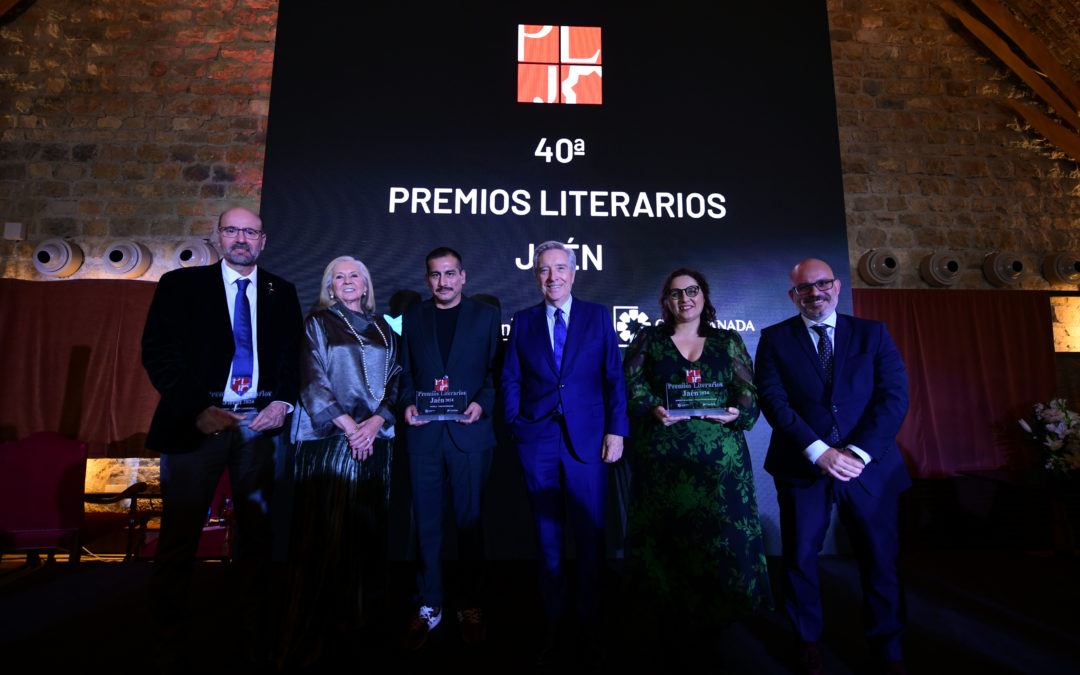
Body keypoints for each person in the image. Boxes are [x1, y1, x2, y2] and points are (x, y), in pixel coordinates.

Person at [141, 206, 302, 669]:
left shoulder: (281, 292)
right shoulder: (180, 286)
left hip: (258, 426)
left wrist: (283, 403)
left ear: (263, 241)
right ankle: (166, 633)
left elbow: (293, 359)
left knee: (256, 535)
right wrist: (198, 409)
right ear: (216, 236)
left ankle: (251, 631)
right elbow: (159, 354)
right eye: (232, 230)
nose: (241, 239)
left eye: (250, 232)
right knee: (180, 536)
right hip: (197, 426)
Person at [754, 258, 910, 675]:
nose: (814, 293)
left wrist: (856, 453)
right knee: (801, 558)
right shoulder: (774, 339)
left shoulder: (872, 333)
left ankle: (888, 648)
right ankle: (807, 641)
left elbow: (893, 398)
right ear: (793, 295)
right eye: (804, 288)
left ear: (837, 287)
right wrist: (820, 451)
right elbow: (773, 402)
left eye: (822, 284)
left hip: (868, 468)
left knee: (880, 559)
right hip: (804, 467)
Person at [622, 268, 772, 663]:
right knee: (669, 546)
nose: (684, 299)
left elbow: (748, 393)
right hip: (664, 464)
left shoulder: (727, 341)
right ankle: (670, 630)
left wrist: (735, 413)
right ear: (665, 301)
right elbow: (632, 385)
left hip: (720, 468)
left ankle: (719, 629)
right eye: (675, 293)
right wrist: (651, 407)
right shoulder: (649, 339)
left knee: (718, 544)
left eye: (691, 291)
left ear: (704, 296)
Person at [501, 240, 629, 663]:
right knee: (546, 536)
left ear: (574, 273)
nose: (552, 277)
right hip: (536, 439)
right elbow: (511, 378)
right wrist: (516, 424)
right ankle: (553, 622)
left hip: (588, 441)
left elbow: (614, 378)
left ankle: (592, 622)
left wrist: (616, 431)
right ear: (536, 275)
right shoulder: (522, 321)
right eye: (543, 269)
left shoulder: (598, 317)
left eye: (560, 268)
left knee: (590, 536)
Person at [277, 255, 401, 668]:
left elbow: (398, 381)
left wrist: (376, 423)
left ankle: (361, 630)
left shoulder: (386, 327)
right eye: (339, 277)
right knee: (325, 539)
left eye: (355, 276)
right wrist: (352, 427)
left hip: (374, 444)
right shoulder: (318, 323)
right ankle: (317, 634)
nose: (347, 282)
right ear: (330, 286)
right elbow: (312, 381)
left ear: (366, 285)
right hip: (330, 442)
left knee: (366, 537)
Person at [398, 247, 501, 649]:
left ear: (463, 276)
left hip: (469, 434)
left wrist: (483, 403)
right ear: (428, 279)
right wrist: (407, 403)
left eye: (449, 274)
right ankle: (431, 604)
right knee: (426, 524)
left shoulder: (486, 315)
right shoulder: (414, 317)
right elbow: (405, 371)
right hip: (424, 432)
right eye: (435, 275)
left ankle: (471, 605)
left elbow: (497, 371)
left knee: (470, 526)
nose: (442, 282)